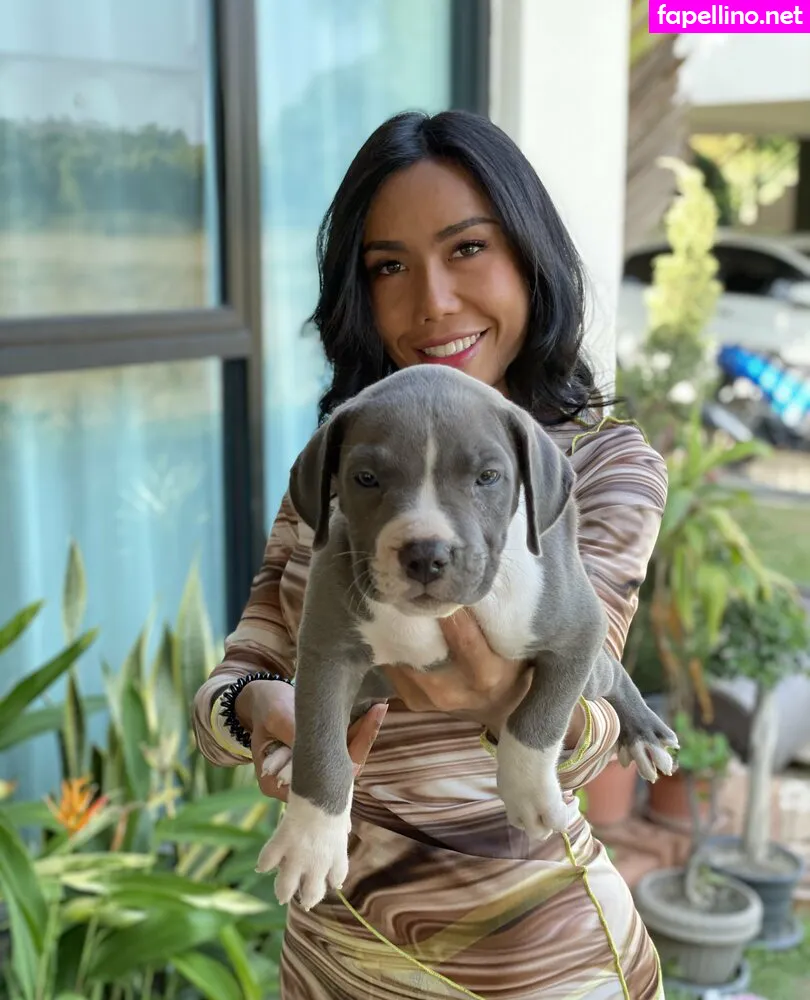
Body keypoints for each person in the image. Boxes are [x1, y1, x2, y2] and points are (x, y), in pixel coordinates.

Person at [192, 109, 668, 1000]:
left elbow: (587, 721)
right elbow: (237, 682)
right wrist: (259, 711)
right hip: (333, 943)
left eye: (467, 248)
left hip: (529, 956)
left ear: (530, 257)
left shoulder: (599, 465)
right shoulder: (350, 462)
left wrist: (496, 705)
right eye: (389, 266)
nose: (433, 302)